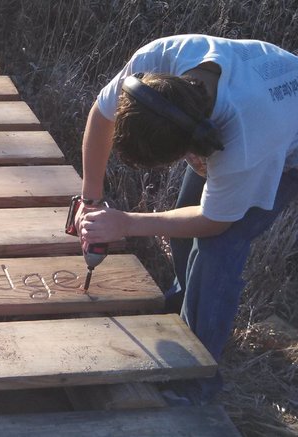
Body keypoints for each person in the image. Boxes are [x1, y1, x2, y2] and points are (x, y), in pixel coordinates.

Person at [76, 34, 298, 404]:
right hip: (260, 100)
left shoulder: (244, 139)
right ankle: (182, 313)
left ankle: (197, 378)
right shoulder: (157, 61)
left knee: (218, 251)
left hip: (283, 143)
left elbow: (215, 221)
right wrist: (91, 198)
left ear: (198, 146)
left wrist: (127, 222)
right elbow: (101, 116)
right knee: (180, 227)